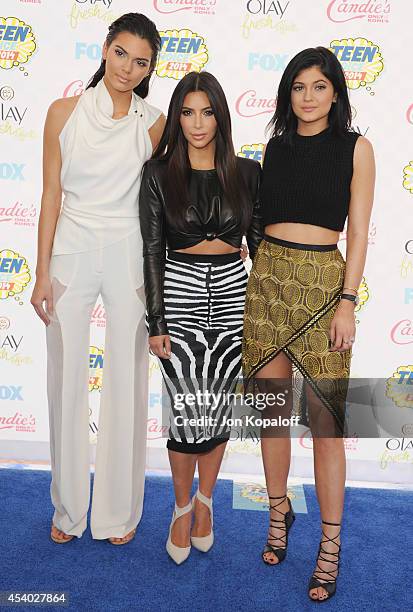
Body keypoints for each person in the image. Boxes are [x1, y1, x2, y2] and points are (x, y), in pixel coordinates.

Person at [242, 47, 375, 601]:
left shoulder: (357, 148)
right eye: (298, 87)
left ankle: (330, 546)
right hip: (269, 282)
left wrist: (348, 300)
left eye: (319, 86)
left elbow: (360, 232)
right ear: (287, 94)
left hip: (324, 290)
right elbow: (258, 219)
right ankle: (278, 515)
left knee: (327, 427)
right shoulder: (276, 147)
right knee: (271, 417)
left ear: (336, 92)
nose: (308, 97)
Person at [30, 13, 165, 545]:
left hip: (129, 252)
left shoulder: (154, 122)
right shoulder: (62, 113)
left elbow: (162, 204)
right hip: (70, 251)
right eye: (121, 53)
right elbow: (49, 196)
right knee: (65, 378)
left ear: (150, 67)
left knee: (127, 382)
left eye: (141, 61)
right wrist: (41, 271)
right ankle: (68, 511)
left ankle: (118, 514)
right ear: (105, 49)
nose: (128, 68)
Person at [139, 71, 262, 564]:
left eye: (206, 112)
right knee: (185, 413)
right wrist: (156, 320)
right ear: (178, 116)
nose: (196, 123)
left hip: (235, 294)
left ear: (220, 115)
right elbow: (151, 249)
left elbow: (260, 249)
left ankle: (206, 503)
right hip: (180, 291)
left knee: (217, 410)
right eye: (187, 112)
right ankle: (180, 507)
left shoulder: (248, 172)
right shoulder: (157, 172)